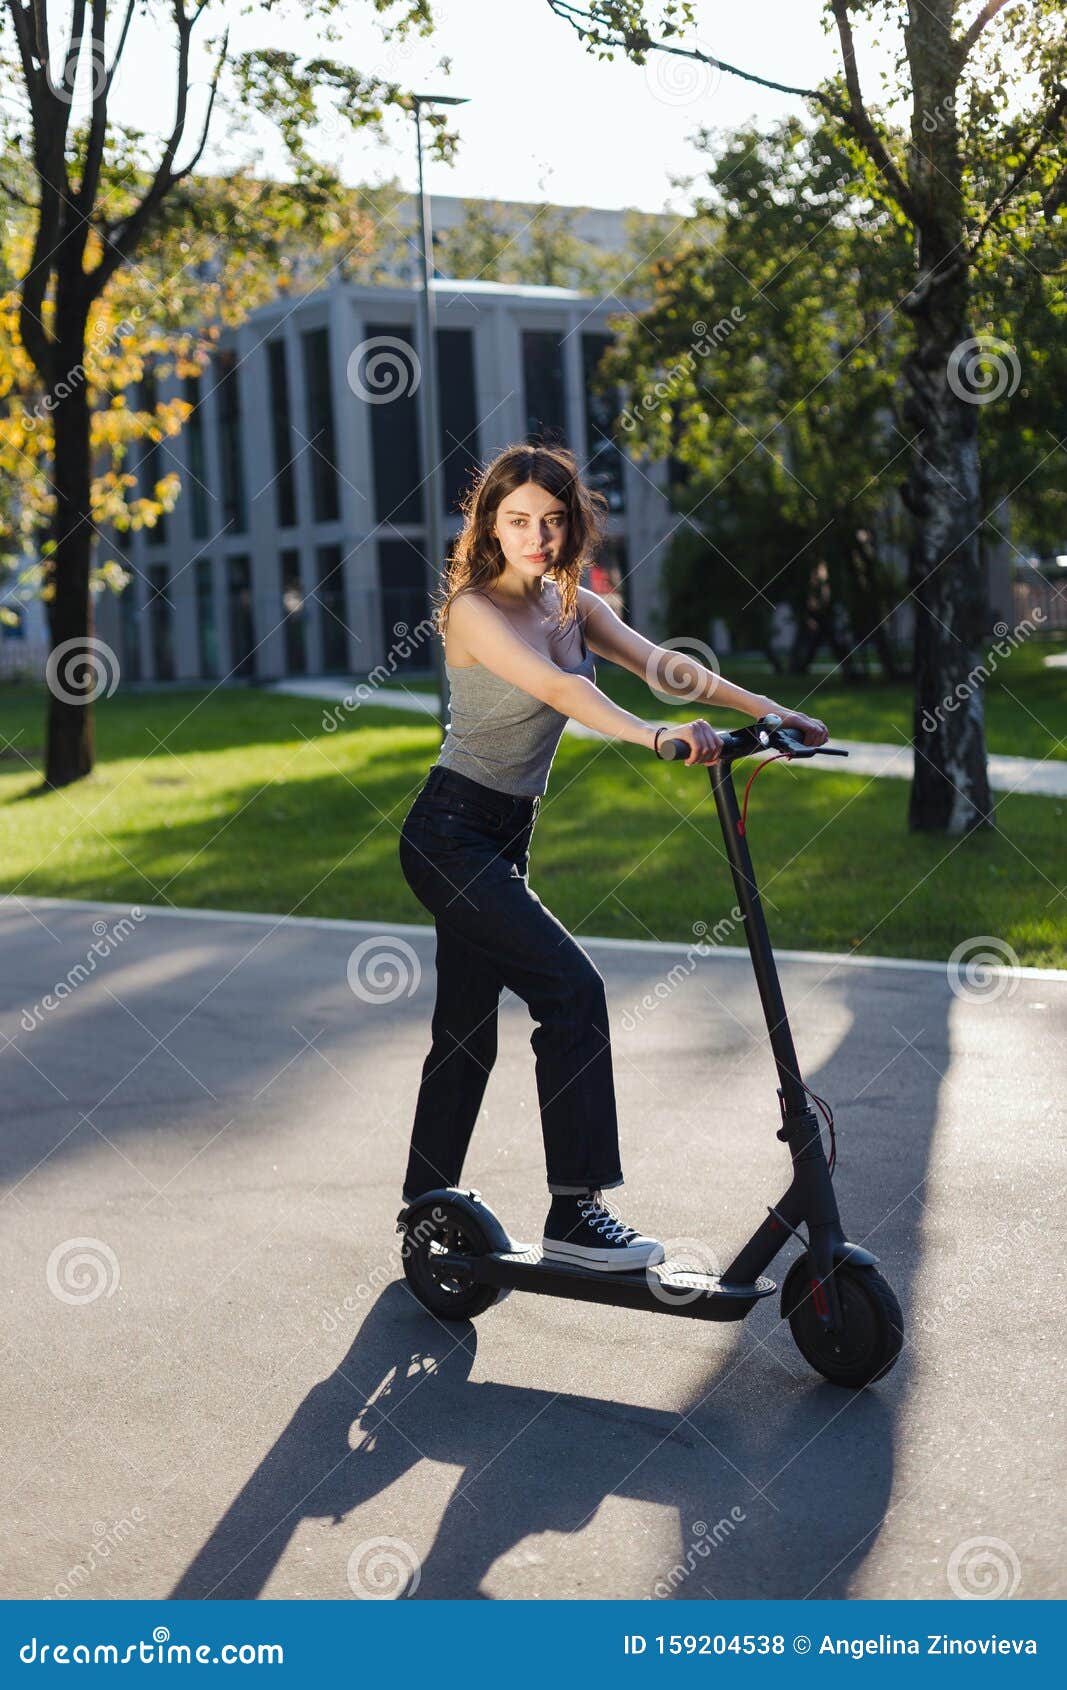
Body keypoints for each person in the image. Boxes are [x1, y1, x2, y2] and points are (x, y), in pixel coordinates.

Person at [397, 443, 827, 1272]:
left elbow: (663, 666)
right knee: (572, 991)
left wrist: (771, 710)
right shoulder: (473, 610)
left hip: (500, 836)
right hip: (446, 833)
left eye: (553, 521)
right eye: (518, 519)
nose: (537, 536)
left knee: (463, 1035)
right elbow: (564, 691)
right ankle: (575, 1213)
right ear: (490, 522)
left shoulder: (572, 605)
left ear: (573, 527)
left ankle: (425, 1213)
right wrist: (651, 736)